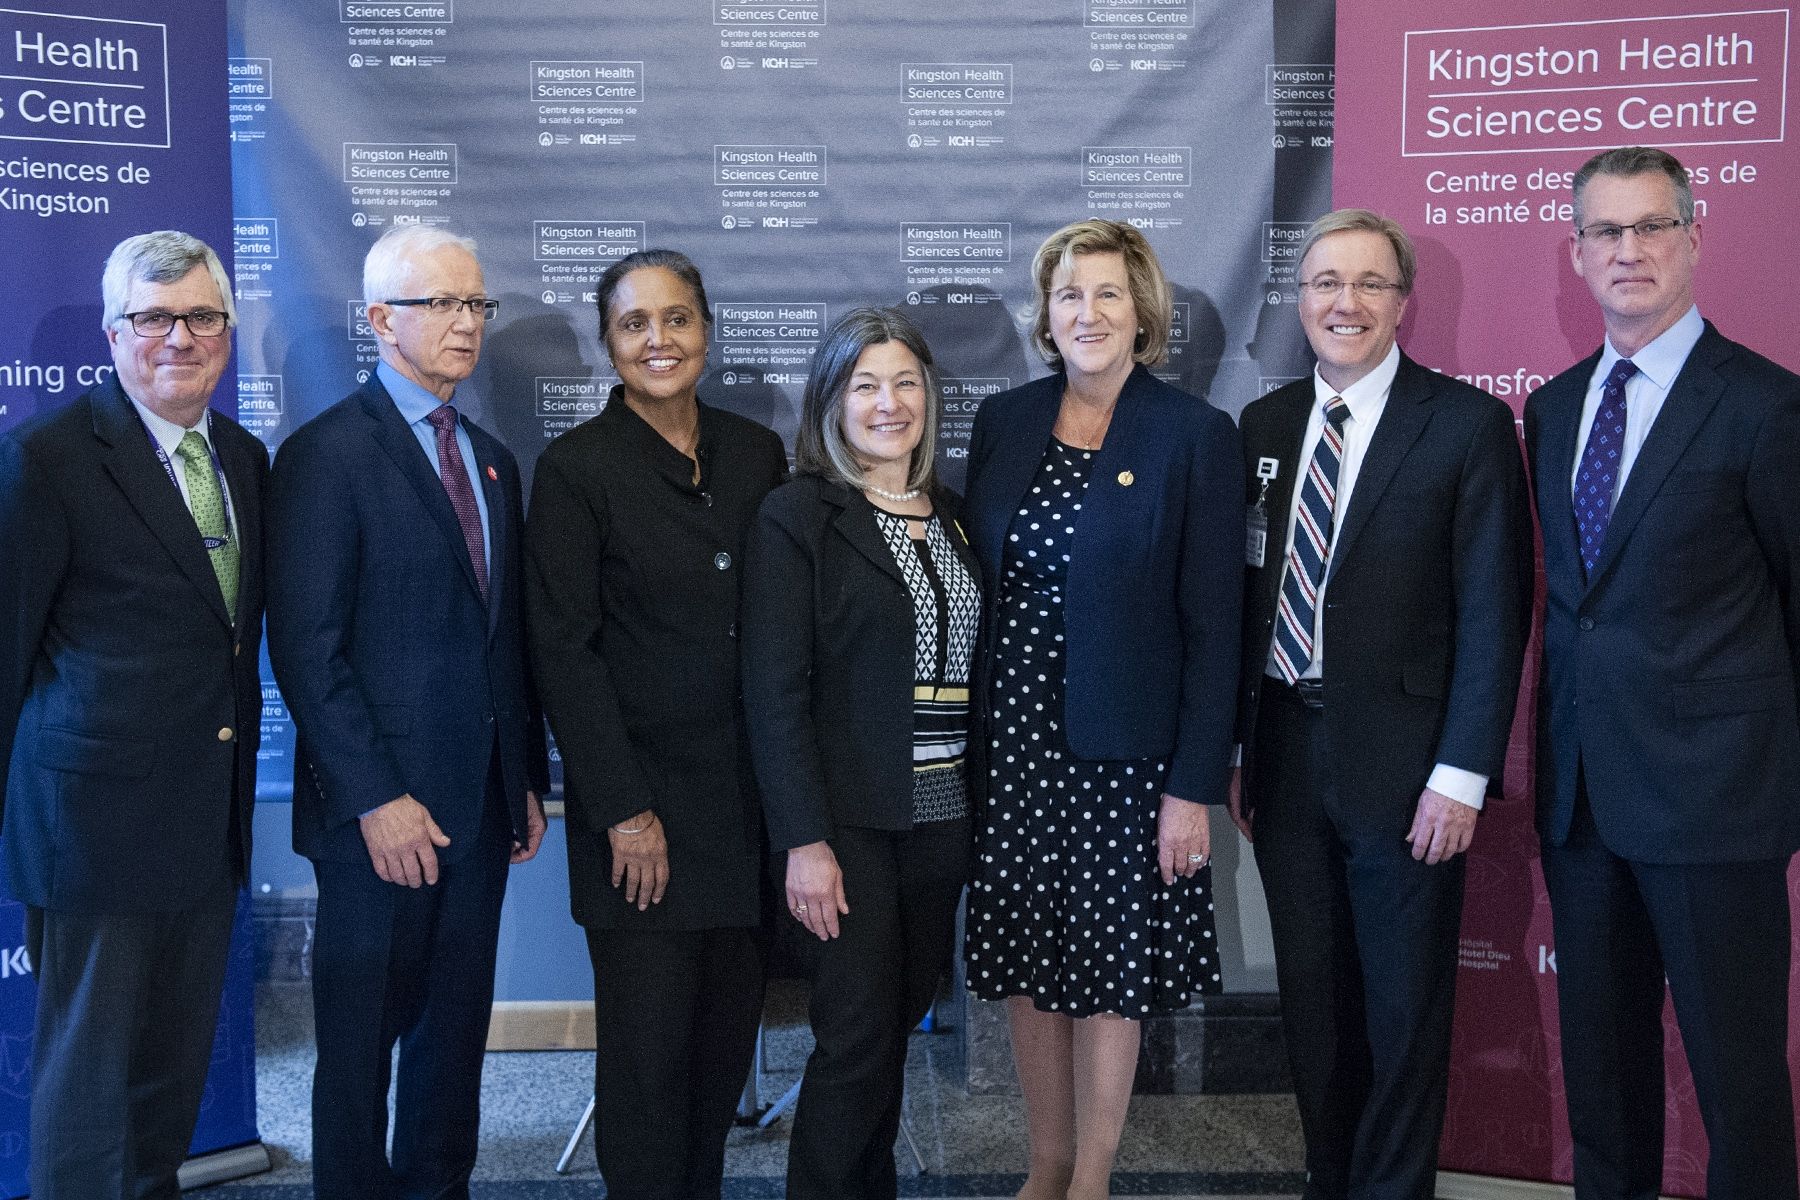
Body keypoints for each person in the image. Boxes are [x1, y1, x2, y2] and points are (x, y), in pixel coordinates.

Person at [1230, 208, 1531, 1199]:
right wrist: (1237, 750)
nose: (1344, 303)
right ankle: (1332, 1177)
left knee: (1404, 1010)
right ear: (1300, 299)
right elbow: (1241, 598)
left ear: (1402, 303)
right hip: (1281, 756)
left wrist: (1460, 774)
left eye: (1368, 284)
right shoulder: (1265, 425)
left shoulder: (1467, 425)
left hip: (1410, 773)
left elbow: (1495, 613)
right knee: (1314, 1004)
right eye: (1325, 283)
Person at [1526, 146, 1800, 1200]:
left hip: (1717, 807)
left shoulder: (1768, 409)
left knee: (1739, 1087)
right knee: (1603, 1082)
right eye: (1606, 231)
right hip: (1585, 798)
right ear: (1578, 252)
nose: (1628, 250)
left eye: (1651, 227)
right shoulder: (1553, 411)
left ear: (1694, 238)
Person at [961, 219, 1243, 1200]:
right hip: (1012, 747)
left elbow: (1217, 632)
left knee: (1108, 965)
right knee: (1030, 959)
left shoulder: (1195, 436)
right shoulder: (1003, 422)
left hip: (1125, 761)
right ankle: (1044, 1163)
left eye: (1108, 294)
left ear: (1142, 314)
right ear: (1047, 314)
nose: (1088, 312)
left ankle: (1093, 1175)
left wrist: (1191, 790)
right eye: (1070, 294)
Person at [266, 225, 549, 1200]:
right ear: (383, 320)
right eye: (444, 305)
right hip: (376, 824)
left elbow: (499, 638)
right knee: (357, 1054)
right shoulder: (323, 456)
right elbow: (307, 648)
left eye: (478, 304)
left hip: (477, 814)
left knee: (452, 1043)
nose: (467, 324)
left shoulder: (493, 459)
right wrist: (375, 798)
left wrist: (523, 779)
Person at [0, 231, 265, 1199]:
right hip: (94, 834)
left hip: (204, 828)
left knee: (167, 1088)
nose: (178, 338)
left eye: (200, 316)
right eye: (153, 319)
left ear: (227, 333)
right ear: (114, 336)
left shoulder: (243, 458)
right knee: (85, 1097)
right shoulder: (47, 460)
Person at [525, 248, 786, 1199]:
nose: (658, 340)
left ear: (707, 332)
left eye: (676, 319)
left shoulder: (754, 452)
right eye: (634, 325)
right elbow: (564, 656)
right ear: (609, 344)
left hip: (746, 817)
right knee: (645, 1071)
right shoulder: (574, 470)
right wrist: (625, 812)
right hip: (640, 825)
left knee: (720, 1064)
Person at [743, 307, 981, 1200]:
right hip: (845, 830)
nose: (889, 403)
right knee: (855, 1041)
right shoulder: (798, 516)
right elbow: (775, 692)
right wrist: (803, 840)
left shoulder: (955, 518)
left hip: (941, 824)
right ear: (833, 401)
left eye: (906, 382)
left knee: (896, 1032)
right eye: (866, 385)